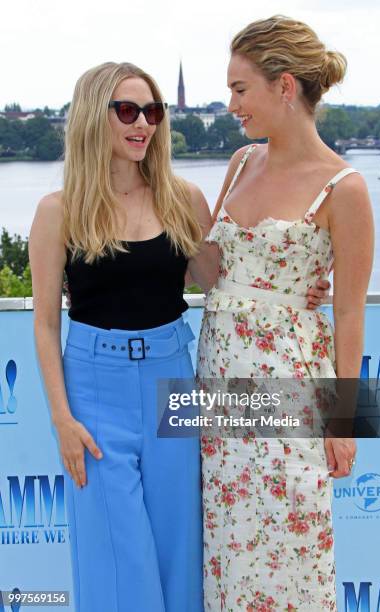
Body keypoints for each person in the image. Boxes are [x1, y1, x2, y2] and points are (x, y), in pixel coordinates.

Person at [196, 15, 374, 611]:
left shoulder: (345, 188)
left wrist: (345, 422)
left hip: (293, 392)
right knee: (228, 554)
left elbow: (349, 312)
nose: (230, 104)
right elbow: (205, 272)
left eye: (239, 89)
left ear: (285, 86)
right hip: (218, 394)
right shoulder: (241, 164)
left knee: (289, 554)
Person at [28, 61, 215, 612]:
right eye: (128, 111)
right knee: (119, 565)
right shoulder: (59, 210)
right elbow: (44, 322)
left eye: (152, 112)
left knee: (178, 557)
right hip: (94, 389)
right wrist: (62, 419)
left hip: (172, 381)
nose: (143, 125)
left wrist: (291, 280)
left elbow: (221, 284)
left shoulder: (183, 198)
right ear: (94, 115)